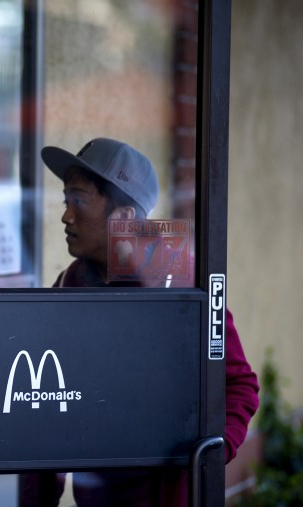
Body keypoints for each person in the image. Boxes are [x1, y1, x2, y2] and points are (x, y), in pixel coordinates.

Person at [37, 137, 259, 505]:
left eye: (79, 200)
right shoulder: (69, 283)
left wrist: (211, 458)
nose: (66, 215)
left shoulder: (184, 285)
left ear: (123, 218)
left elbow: (238, 383)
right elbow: (50, 401)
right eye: (66, 200)